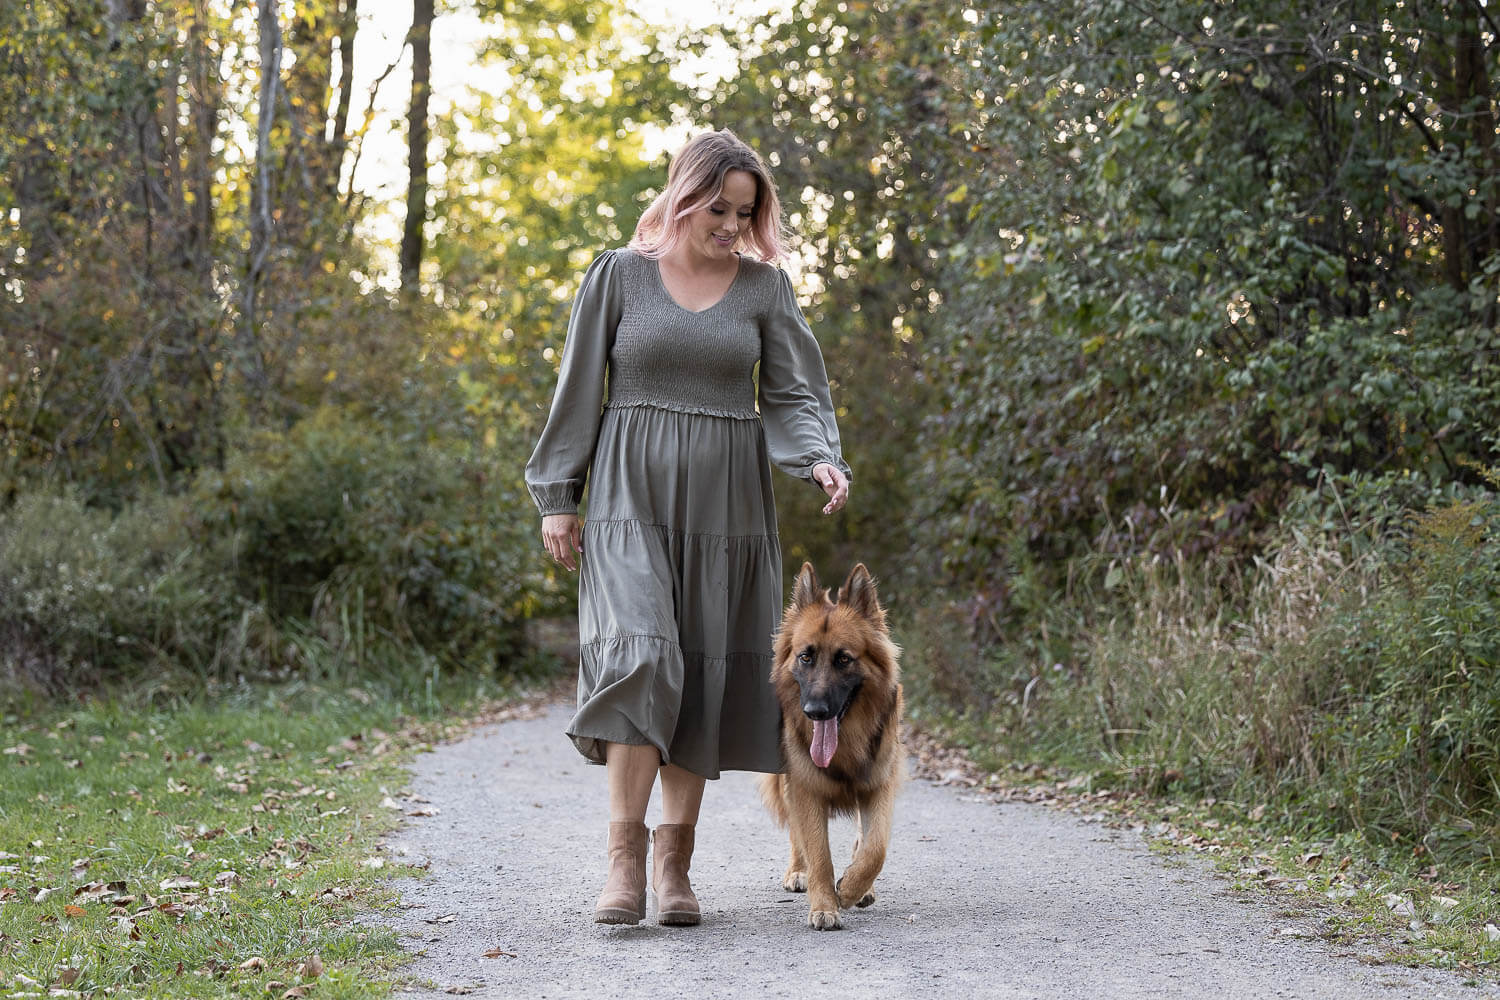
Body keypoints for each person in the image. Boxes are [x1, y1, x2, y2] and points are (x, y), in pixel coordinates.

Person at [524, 128, 852, 927]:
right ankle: (623, 865)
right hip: (629, 494)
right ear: (683, 193)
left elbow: (796, 391)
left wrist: (817, 458)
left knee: (700, 672)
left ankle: (675, 870)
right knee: (642, 656)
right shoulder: (619, 277)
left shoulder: (762, 291)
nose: (731, 225)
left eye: (745, 213)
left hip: (728, 505)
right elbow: (578, 387)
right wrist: (558, 492)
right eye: (719, 207)